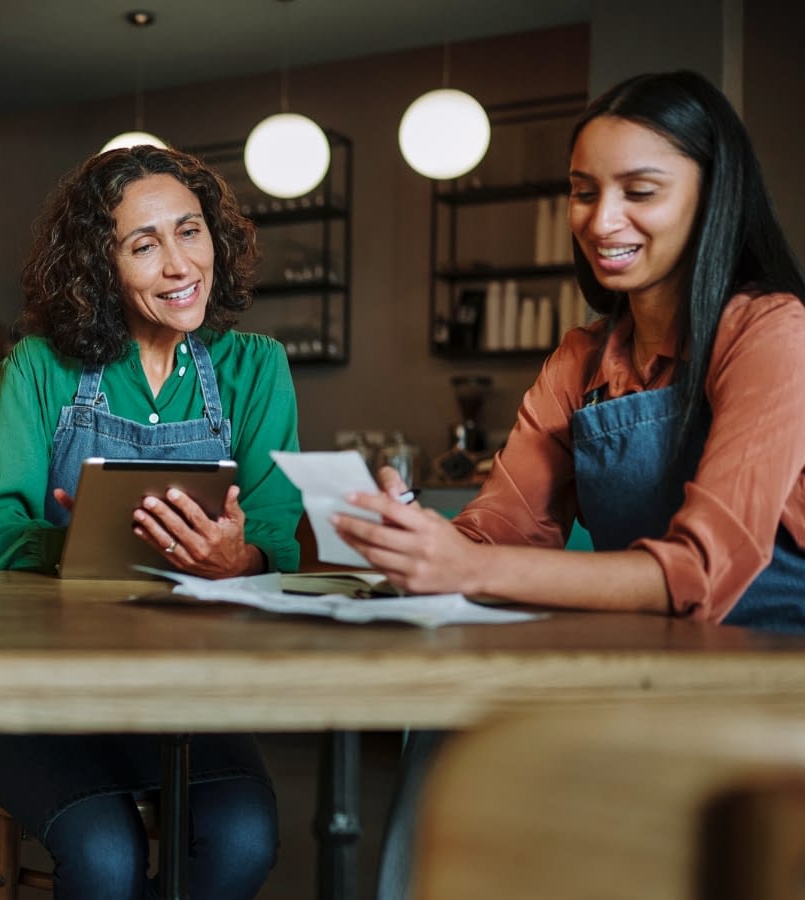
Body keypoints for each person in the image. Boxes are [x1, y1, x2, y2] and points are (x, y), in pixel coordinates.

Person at [334, 70, 805, 900]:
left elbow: (697, 575)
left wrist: (465, 568)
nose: (601, 219)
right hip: (647, 660)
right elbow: (495, 533)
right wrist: (409, 532)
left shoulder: (770, 331)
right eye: (583, 191)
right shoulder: (580, 360)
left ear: (713, 193)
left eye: (640, 190)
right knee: (450, 716)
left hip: (770, 684)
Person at [0, 144, 303, 898]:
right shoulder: (38, 367)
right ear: (95, 267)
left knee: (243, 839)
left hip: (179, 693)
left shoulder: (254, 368)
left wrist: (236, 559)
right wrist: (84, 544)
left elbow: (275, 530)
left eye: (190, 231)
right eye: (143, 246)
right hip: (35, 691)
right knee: (106, 858)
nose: (181, 265)